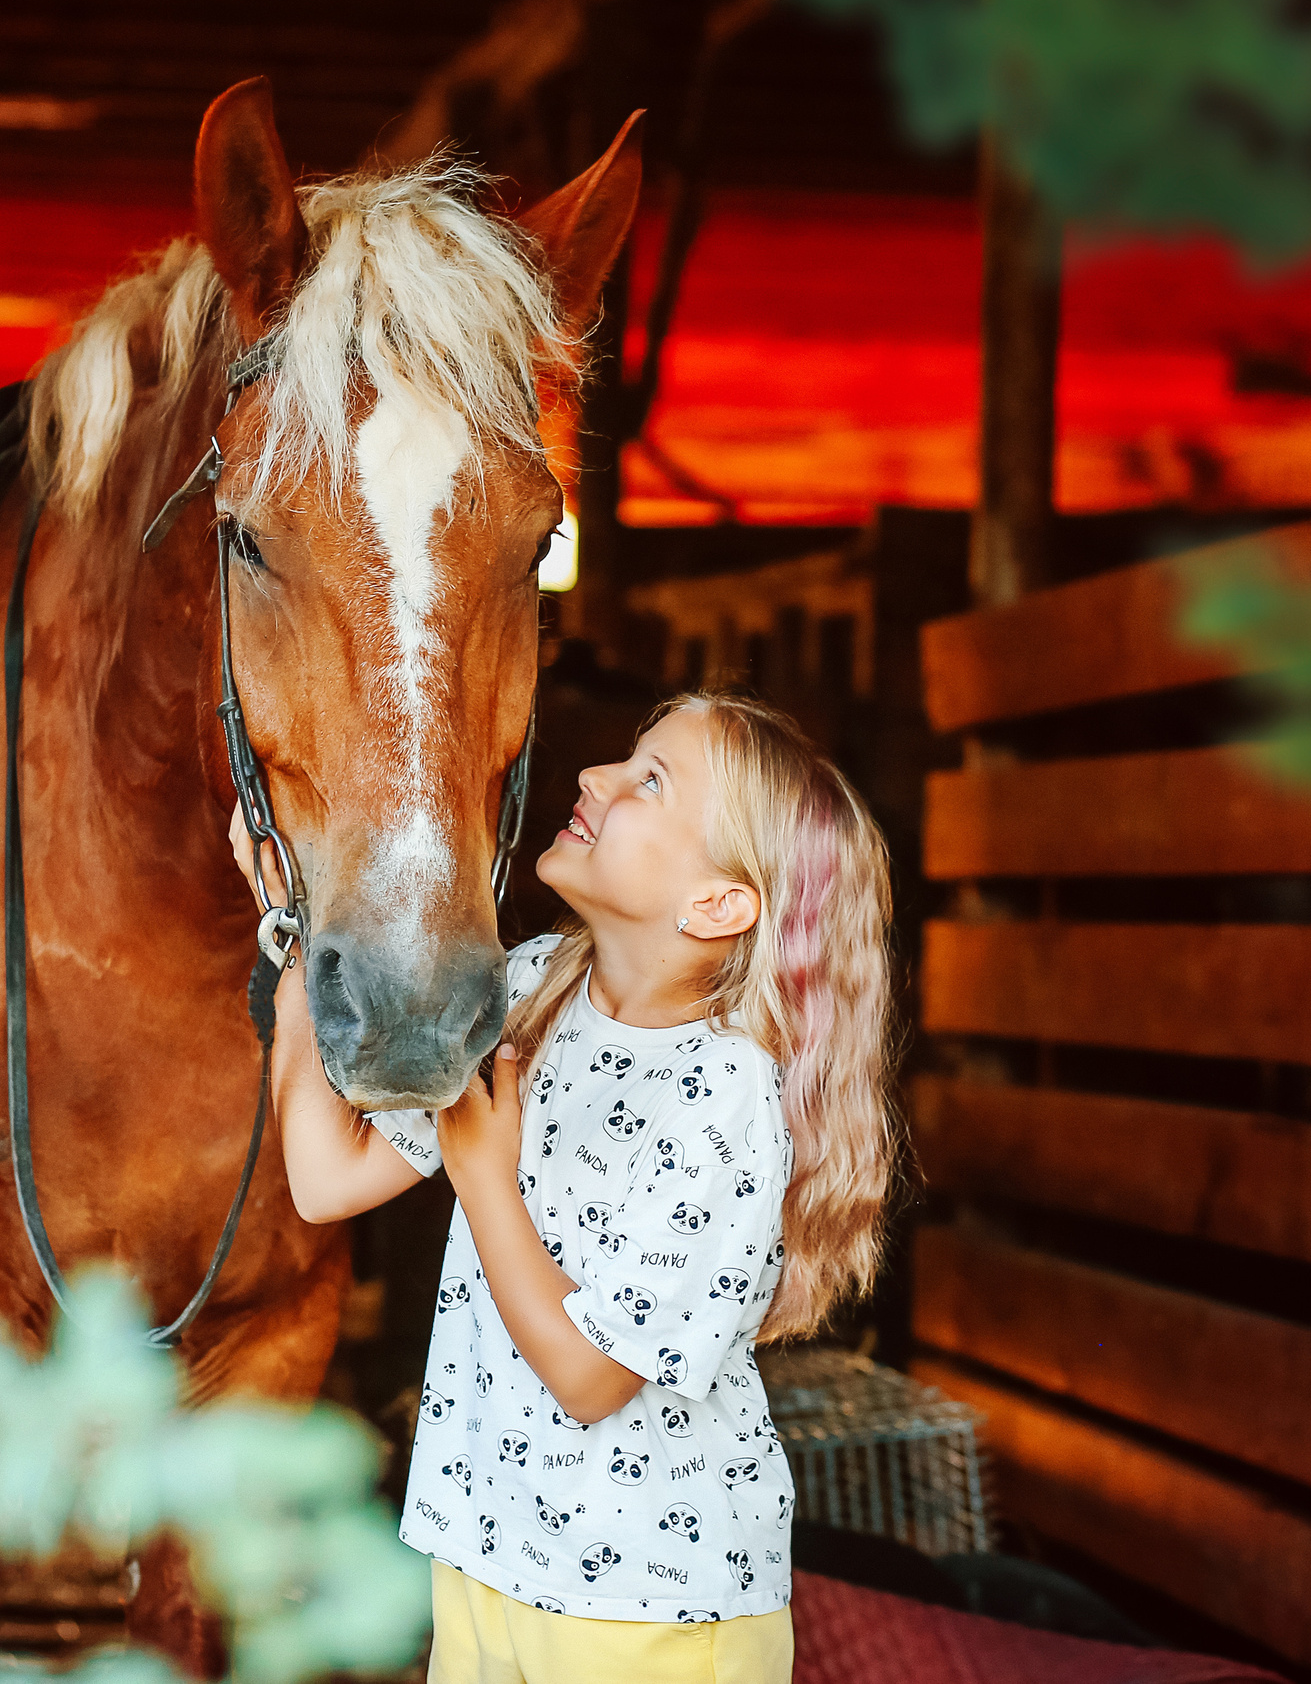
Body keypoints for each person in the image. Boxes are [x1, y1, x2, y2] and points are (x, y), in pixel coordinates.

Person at [232, 691, 901, 1684]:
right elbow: (324, 1180)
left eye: (650, 781)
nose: (594, 776)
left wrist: (482, 1178)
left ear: (717, 905)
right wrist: (299, 924)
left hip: (645, 1604)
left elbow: (591, 1381)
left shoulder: (724, 1096)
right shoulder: (531, 985)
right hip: (482, 1552)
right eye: (628, 757)